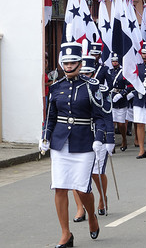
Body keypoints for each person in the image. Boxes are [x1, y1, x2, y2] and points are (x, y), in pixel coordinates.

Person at [39, 41, 106, 247]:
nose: (69, 66)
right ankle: (66, 234)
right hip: (61, 144)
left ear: (79, 63)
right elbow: (50, 116)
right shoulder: (56, 87)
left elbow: (101, 117)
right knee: (60, 188)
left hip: (84, 143)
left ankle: (92, 216)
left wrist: (99, 139)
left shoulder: (91, 86)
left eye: (73, 62)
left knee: (82, 188)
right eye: (66, 63)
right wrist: (45, 137)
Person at [80, 55, 115, 216]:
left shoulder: (103, 90)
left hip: (98, 135)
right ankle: (81, 208)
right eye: (82, 73)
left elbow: (107, 114)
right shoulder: (74, 89)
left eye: (88, 73)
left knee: (96, 172)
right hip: (79, 135)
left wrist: (110, 139)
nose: (85, 76)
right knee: (78, 173)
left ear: (94, 74)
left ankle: (102, 197)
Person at [109, 52, 129, 152]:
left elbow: (129, 86)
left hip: (121, 99)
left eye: (116, 61)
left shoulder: (123, 72)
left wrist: (122, 94)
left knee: (121, 124)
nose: (114, 63)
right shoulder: (109, 71)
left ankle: (124, 139)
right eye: (113, 61)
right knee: (112, 123)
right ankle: (112, 143)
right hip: (112, 98)